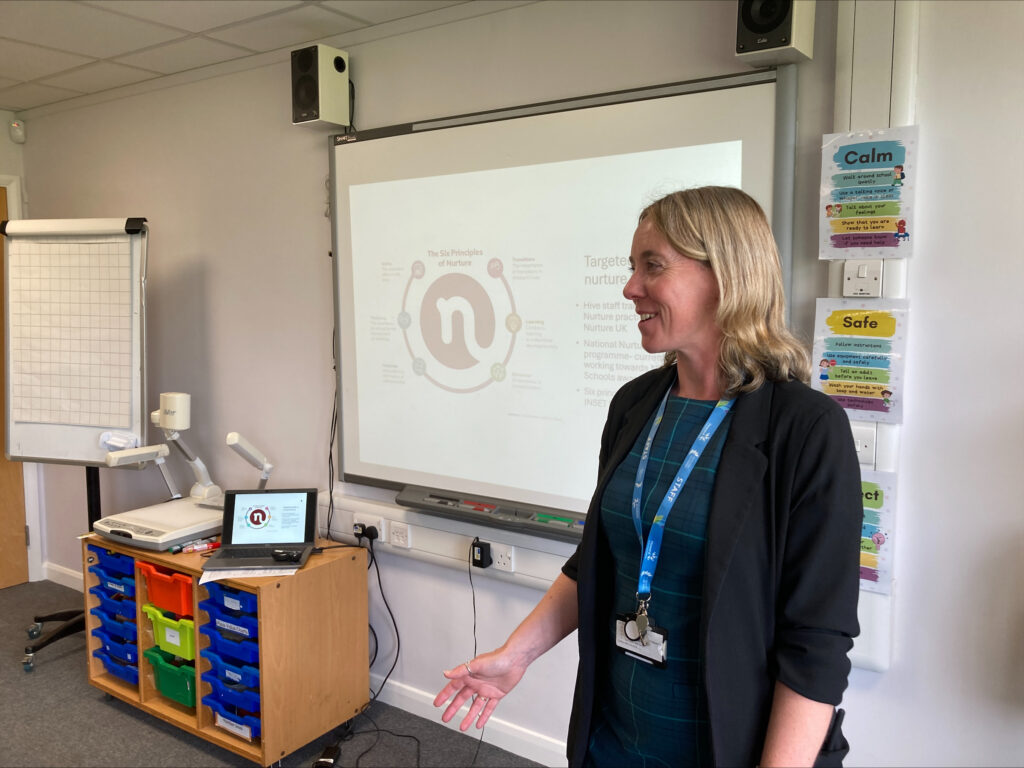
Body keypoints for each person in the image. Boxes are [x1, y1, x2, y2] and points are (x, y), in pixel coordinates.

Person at [433, 186, 861, 767]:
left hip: (729, 748)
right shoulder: (636, 404)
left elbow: (817, 642)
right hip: (615, 738)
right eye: (631, 267)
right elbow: (597, 560)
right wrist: (518, 654)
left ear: (726, 275)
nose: (631, 288)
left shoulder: (807, 429)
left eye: (652, 266)